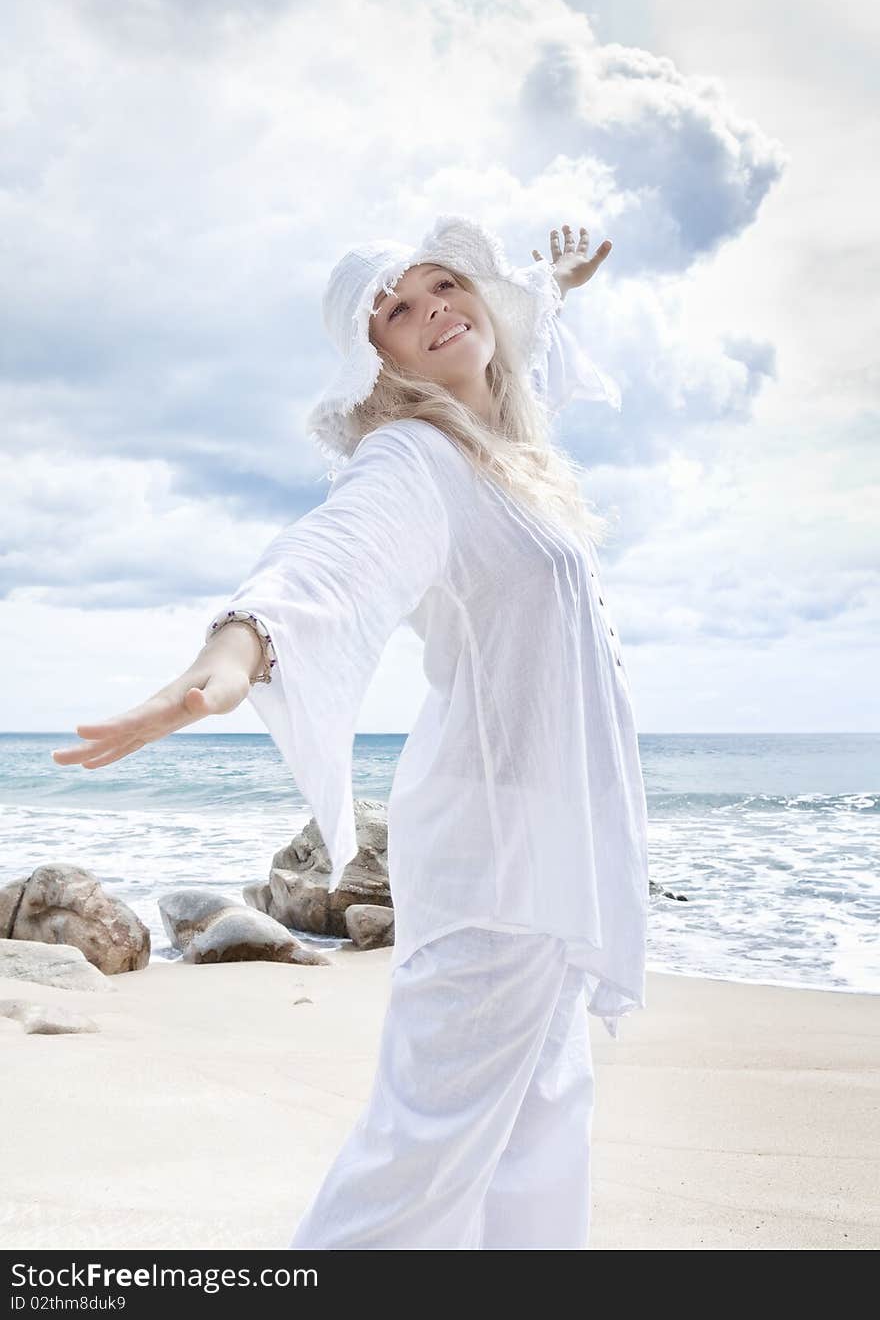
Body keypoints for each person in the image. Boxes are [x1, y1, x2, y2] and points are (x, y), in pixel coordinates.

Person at [51, 214, 648, 1250]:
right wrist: (231, 653)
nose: (433, 313)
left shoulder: (502, 446)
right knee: (418, 1160)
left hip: (553, 864)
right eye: (398, 313)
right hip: (496, 869)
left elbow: (517, 326)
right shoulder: (414, 459)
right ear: (377, 364)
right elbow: (324, 563)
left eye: (441, 286)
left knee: (542, 1139)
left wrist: (554, 278)